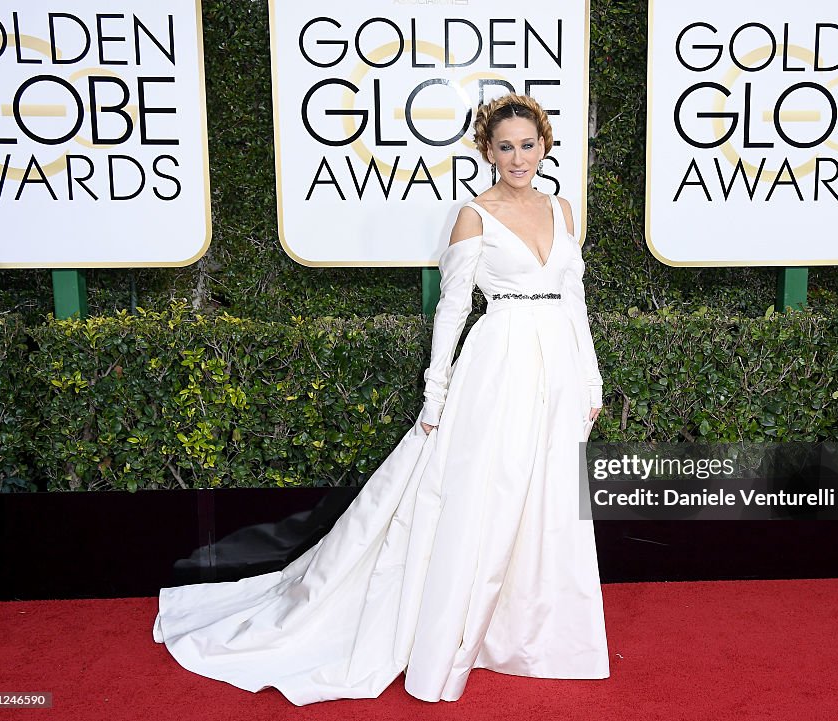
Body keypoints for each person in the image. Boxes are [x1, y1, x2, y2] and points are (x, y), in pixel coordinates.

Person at [151, 92, 609, 705]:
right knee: (483, 495)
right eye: (506, 146)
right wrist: (436, 392)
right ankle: (452, 633)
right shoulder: (474, 214)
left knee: (548, 498)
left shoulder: (564, 210)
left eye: (528, 144)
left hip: (558, 371)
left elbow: (574, 301)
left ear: (545, 146)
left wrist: (592, 376)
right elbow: (451, 311)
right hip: (497, 365)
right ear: (488, 151)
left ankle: (532, 634)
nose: (518, 157)